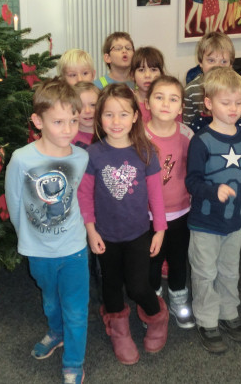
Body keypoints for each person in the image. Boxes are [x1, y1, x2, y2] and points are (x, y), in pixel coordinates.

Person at [4, 79, 89, 384]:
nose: (68, 129)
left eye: (73, 120)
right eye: (58, 121)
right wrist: (27, 237)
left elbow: (80, 199)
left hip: (74, 248)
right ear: (38, 121)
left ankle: (74, 362)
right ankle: (56, 332)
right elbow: (14, 201)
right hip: (37, 250)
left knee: (77, 309)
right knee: (51, 300)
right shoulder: (22, 159)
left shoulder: (81, 158)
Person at [77, 84, 169, 365]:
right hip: (105, 236)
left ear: (135, 117)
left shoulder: (146, 151)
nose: (115, 122)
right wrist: (90, 230)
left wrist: (161, 229)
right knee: (111, 287)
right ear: (99, 119)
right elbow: (85, 196)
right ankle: (119, 331)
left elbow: (156, 195)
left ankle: (157, 317)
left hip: (138, 234)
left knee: (139, 287)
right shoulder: (93, 154)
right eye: (108, 115)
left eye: (122, 114)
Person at [186, 67, 241, 354]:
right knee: (204, 272)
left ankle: (229, 313)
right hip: (205, 222)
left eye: (238, 102)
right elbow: (191, 180)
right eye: (225, 102)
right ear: (209, 103)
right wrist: (212, 191)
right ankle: (206, 319)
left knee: (229, 271)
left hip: (234, 223)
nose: (233, 109)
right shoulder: (201, 141)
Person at [144, 75, 195, 329]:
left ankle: (178, 299)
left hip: (180, 213)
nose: (166, 103)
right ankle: (152, 306)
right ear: (147, 102)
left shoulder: (187, 135)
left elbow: (193, 171)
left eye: (173, 99)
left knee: (177, 260)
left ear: (181, 107)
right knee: (151, 262)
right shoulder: (139, 136)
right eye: (159, 97)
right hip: (149, 217)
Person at [182, 31, 241, 133]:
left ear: (230, 65)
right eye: (211, 60)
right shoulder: (191, 90)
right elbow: (187, 128)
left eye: (224, 61)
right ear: (200, 62)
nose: (217, 66)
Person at [130, 46, 165, 124]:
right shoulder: (127, 100)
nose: (147, 75)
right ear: (132, 75)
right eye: (141, 70)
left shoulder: (167, 101)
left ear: (162, 74)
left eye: (153, 70)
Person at [71, 81, 99, 149]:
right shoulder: (70, 137)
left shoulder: (108, 132)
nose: (87, 111)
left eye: (93, 105)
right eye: (81, 106)